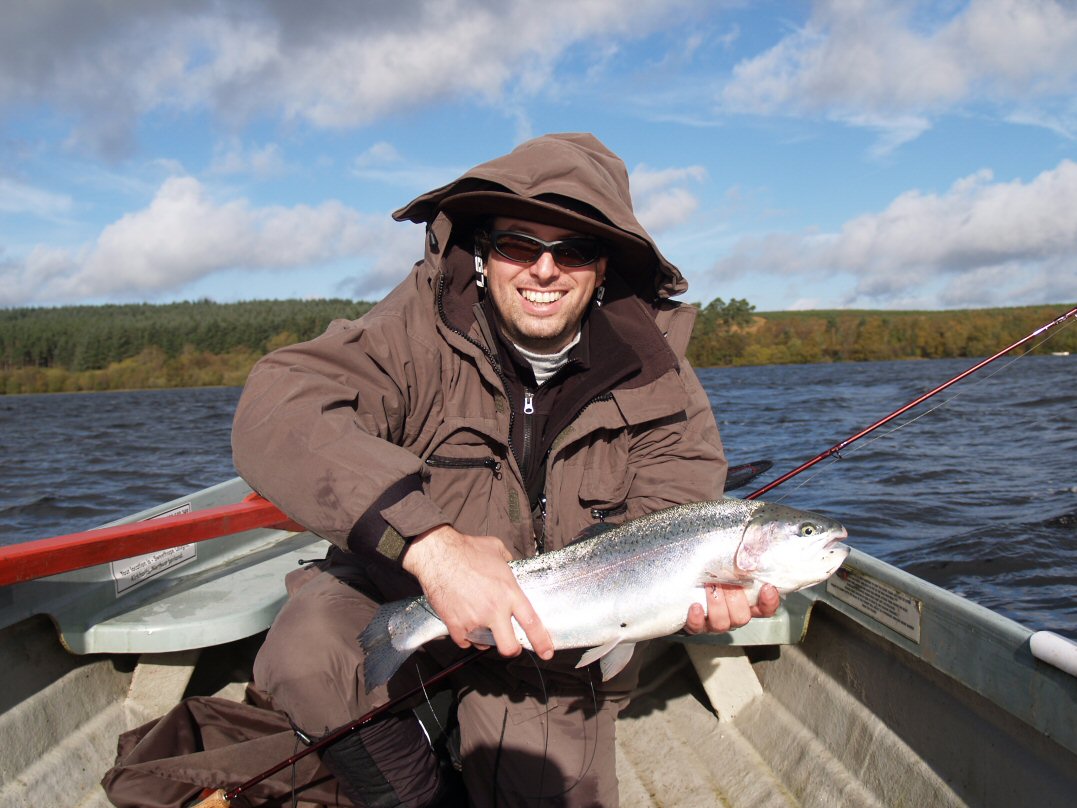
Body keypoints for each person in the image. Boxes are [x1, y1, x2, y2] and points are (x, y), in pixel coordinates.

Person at [230, 132, 780, 807]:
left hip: (556, 642)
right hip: (402, 592)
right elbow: (279, 410)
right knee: (308, 653)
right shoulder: (409, 331)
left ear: (603, 267)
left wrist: (695, 596)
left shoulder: (658, 379)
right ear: (484, 257)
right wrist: (431, 548)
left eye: (572, 251)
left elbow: (672, 517)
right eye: (520, 245)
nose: (544, 270)